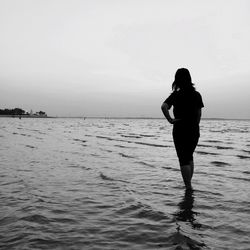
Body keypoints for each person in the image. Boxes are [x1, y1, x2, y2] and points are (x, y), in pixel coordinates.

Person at [161, 68, 204, 190]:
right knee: (189, 156)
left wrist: (170, 120)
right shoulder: (197, 95)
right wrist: (195, 126)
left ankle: (188, 187)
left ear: (177, 80)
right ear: (189, 79)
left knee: (183, 158)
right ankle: (189, 185)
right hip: (194, 130)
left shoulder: (176, 95)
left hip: (180, 129)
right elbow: (199, 113)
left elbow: (164, 106)